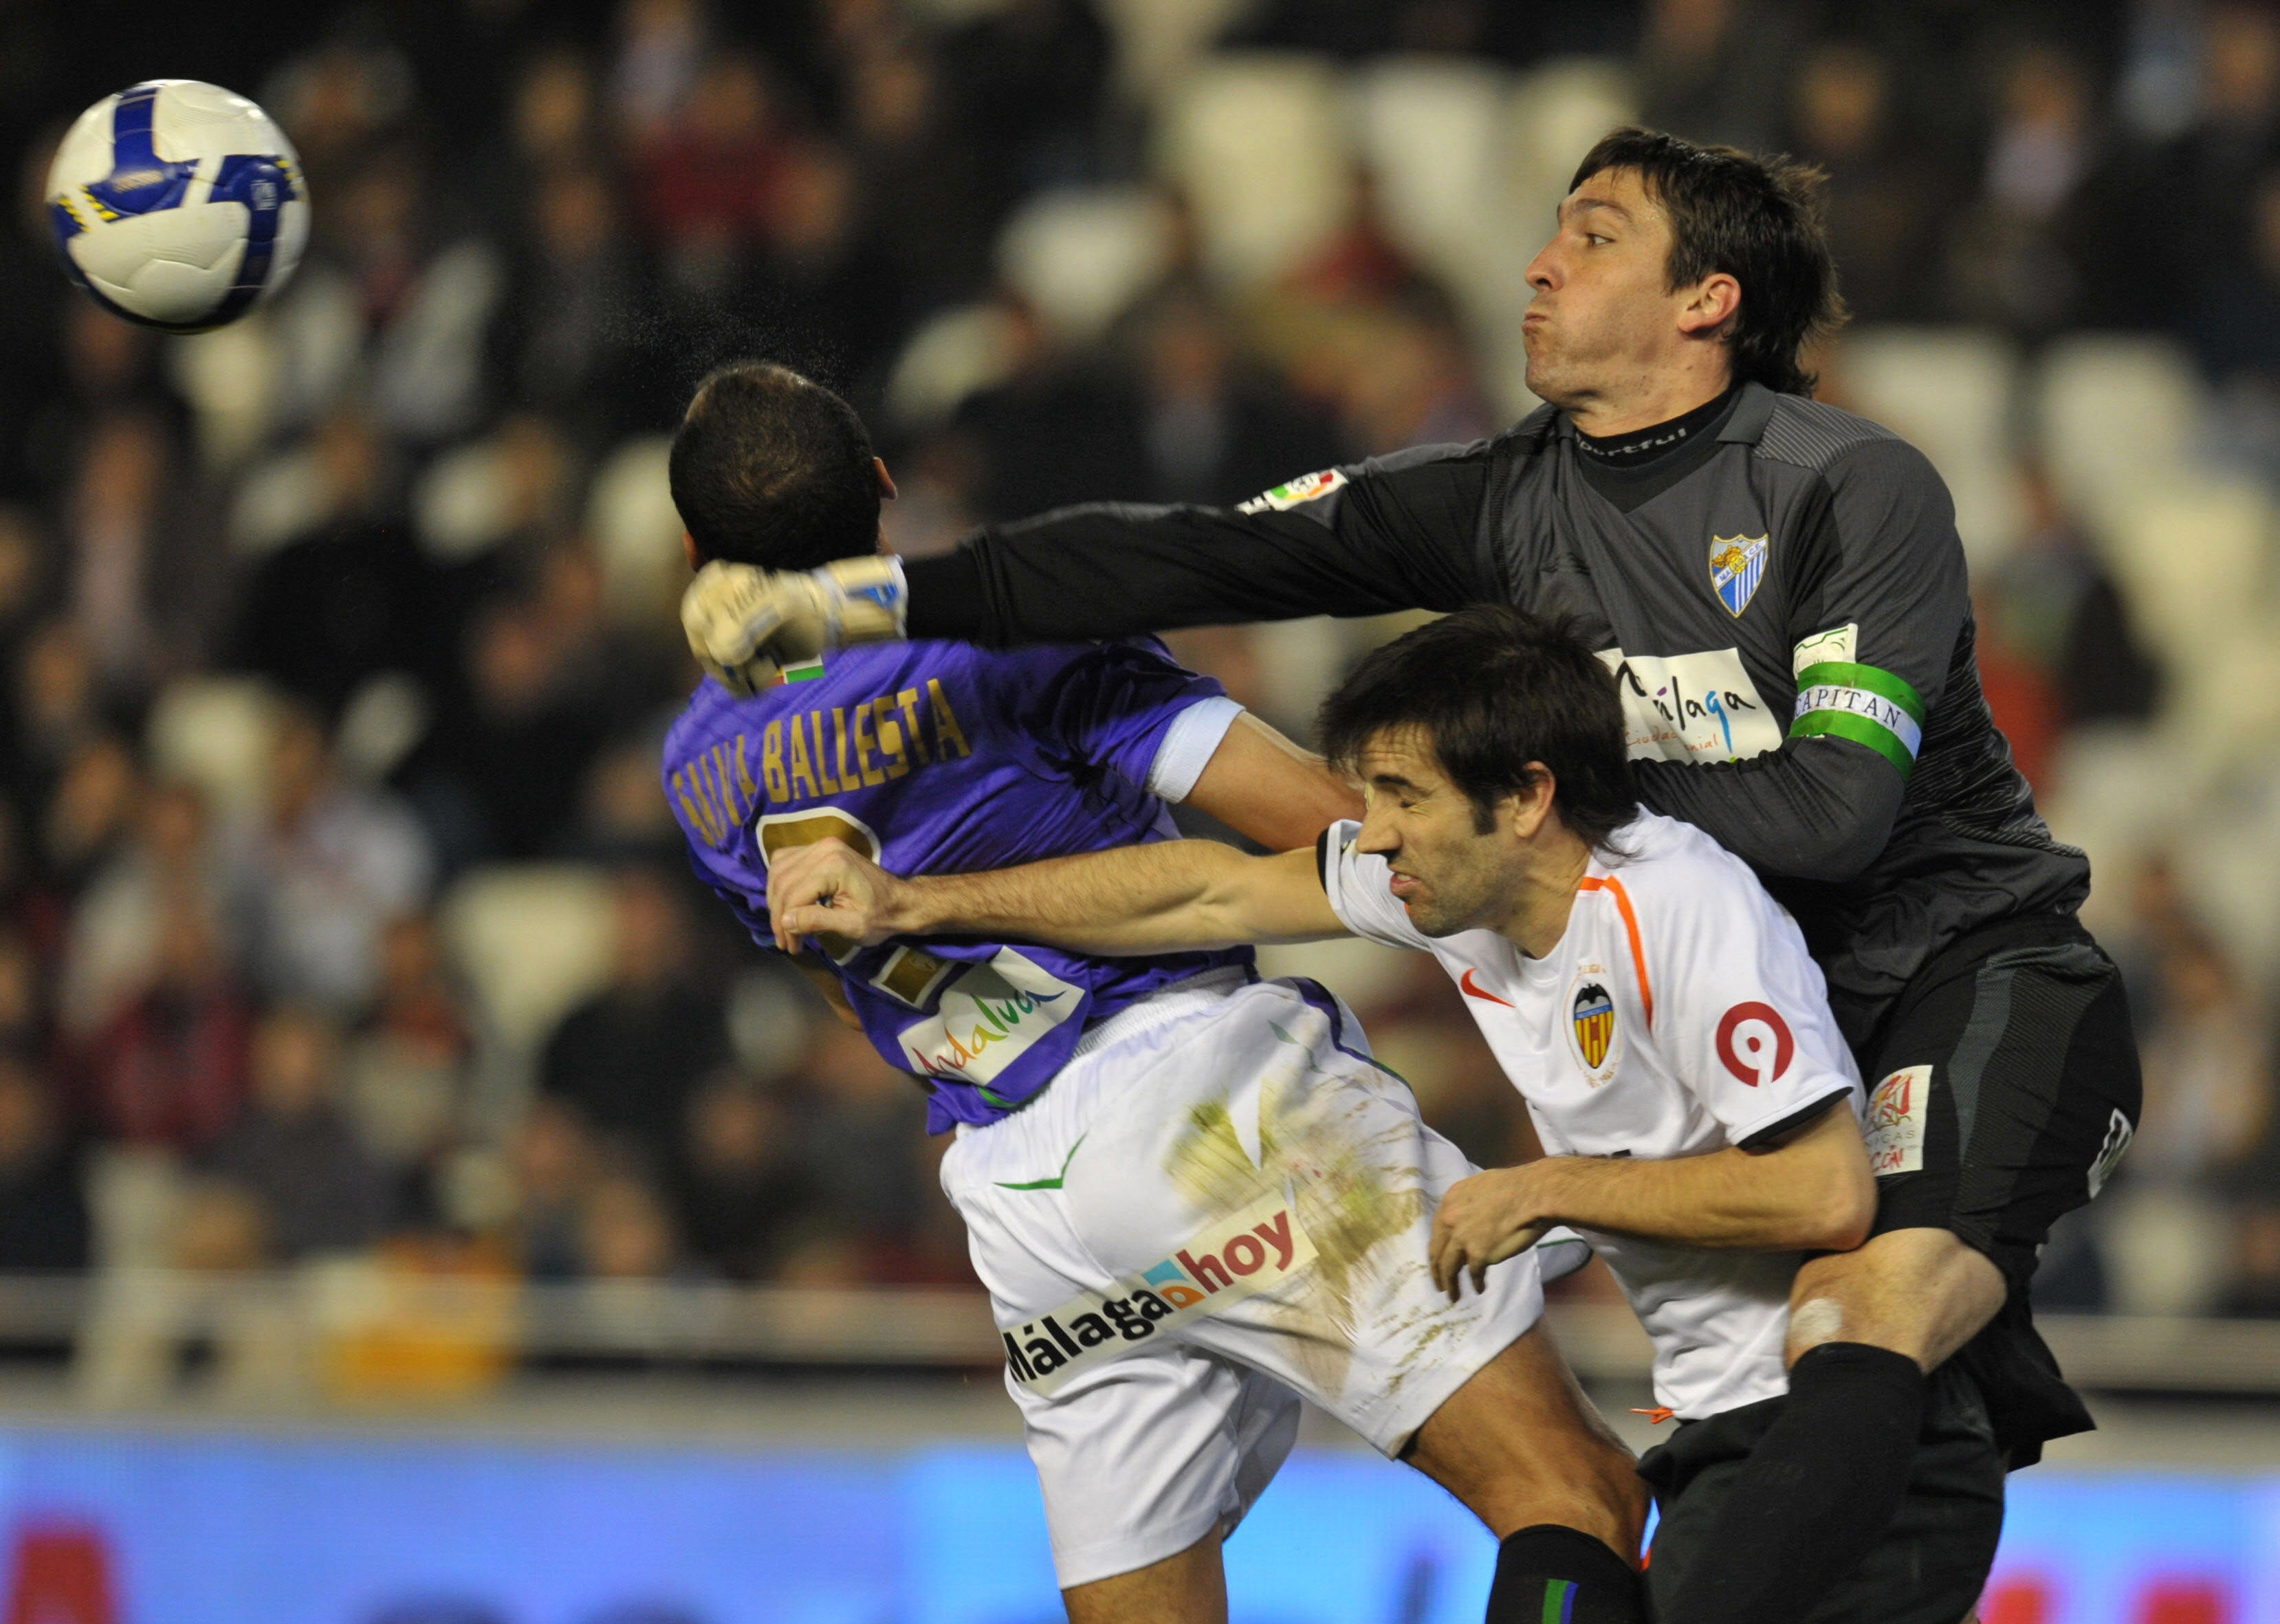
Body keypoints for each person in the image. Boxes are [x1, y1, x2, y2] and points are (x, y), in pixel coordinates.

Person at [684, 129, 2145, 1623]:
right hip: (1762, 1030)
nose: (1534, 263)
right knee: (1786, 1417)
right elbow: (1192, 573)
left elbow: (1835, 812)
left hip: (1970, 973)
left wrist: (1513, 798)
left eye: (1589, 236)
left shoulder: (1846, 488)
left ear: (1706, 299)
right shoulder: (1507, 502)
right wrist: (863, 600)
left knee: (1865, 1302)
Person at [767, 605, 2008, 1620]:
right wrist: (913, 905)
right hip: (1726, 1429)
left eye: (1400, 795)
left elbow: (1823, 1191)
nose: (1369, 830)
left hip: (1851, 1449)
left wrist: (1545, 1187)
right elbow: (1198, 893)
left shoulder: (1683, 907)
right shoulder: (1453, 889)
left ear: (1524, 796)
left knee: (1575, 1503)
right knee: (1584, 1510)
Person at [660, 362, 1648, 1624]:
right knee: (1576, 1495)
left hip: (1020, 1206)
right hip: (1198, 1097)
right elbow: (1327, 826)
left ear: (696, 549)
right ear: (884, 488)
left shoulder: (696, 772)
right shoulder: (1001, 638)